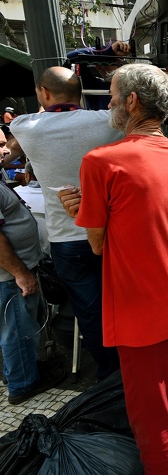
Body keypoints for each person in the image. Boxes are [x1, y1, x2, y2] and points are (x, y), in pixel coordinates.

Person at [62, 64, 168, 473]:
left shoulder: (100, 162)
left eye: (113, 95)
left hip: (141, 306)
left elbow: (97, 244)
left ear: (132, 101)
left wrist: (78, 208)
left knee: (150, 409)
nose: (109, 103)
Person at [9, 66, 121, 381]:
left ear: (43, 93)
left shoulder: (26, 127)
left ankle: (109, 375)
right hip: (112, 231)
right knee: (125, 301)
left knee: (90, 312)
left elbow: (17, 138)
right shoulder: (106, 122)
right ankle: (135, 364)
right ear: (81, 92)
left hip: (67, 239)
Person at [0, 130, 66, 405]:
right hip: (10, 275)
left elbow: (15, 150)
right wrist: (20, 273)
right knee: (17, 330)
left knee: (23, 325)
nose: (5, 150)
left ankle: (27, 369)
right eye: (0, 145)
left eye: (4, 144)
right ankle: (23, 383)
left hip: (18, 270)